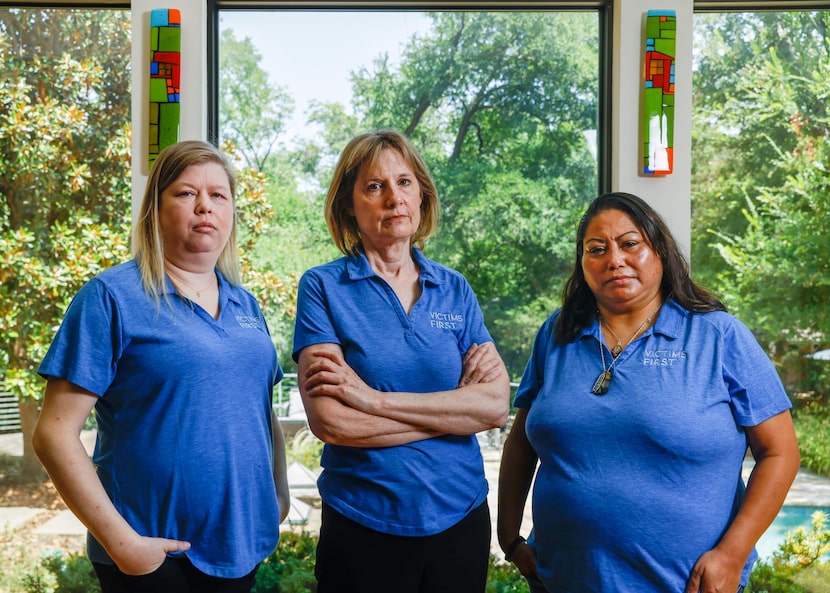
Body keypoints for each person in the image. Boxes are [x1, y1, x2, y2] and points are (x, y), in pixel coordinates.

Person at [497, 192, 800, 593]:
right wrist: (509, 538)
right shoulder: (557, 333)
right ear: (583, 263)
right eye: (597, 249)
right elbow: (523, 442)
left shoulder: (719, 336)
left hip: (686, 585)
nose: (614, 259)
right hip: (561, 579)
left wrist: (732, 554)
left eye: (629, 244)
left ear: (659, 250)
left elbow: (780, 453)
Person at [33, 140, 291, 593]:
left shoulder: (245, 304)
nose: (205, 206)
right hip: (151, 554)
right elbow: (53, 434)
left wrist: (278, 495)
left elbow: (260, 409)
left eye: (218, 195)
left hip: (239, 546)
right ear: (155, 209)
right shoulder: (112, 297)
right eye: (186, 193)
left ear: (231, 212)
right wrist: (123, 544)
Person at [293, 128, 511, 593]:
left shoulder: (454, 288)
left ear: (422, 195)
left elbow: (493, 407)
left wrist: (370, 399)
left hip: (461, 517)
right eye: (374, 186)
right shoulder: (322, 288)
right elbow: (332, 422)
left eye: (405, 182)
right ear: (349, 205)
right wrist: (454, 411)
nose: (394, 197)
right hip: (363, 524)